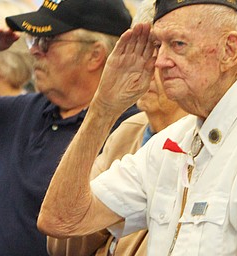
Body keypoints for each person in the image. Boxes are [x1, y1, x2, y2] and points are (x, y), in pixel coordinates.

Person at [38, 0, 237, 255]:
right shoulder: (176, 141)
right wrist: (103, 109)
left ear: (229, 51)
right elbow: (61, 219)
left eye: (178, 44)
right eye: (158, 45)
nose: (159, 62)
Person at [46, 1, 187, 255]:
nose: (150, 65)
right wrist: (102, 107)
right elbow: (59, 239)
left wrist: (104, 221)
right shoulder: (128, 132)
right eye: (142, 50)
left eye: (168, 48)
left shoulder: (203, 141)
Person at [0, 0, 138, 255]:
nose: (34, 51)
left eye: (47, 41)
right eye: (33, 39)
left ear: (95, 55)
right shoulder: (21, 111)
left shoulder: (130, 130)